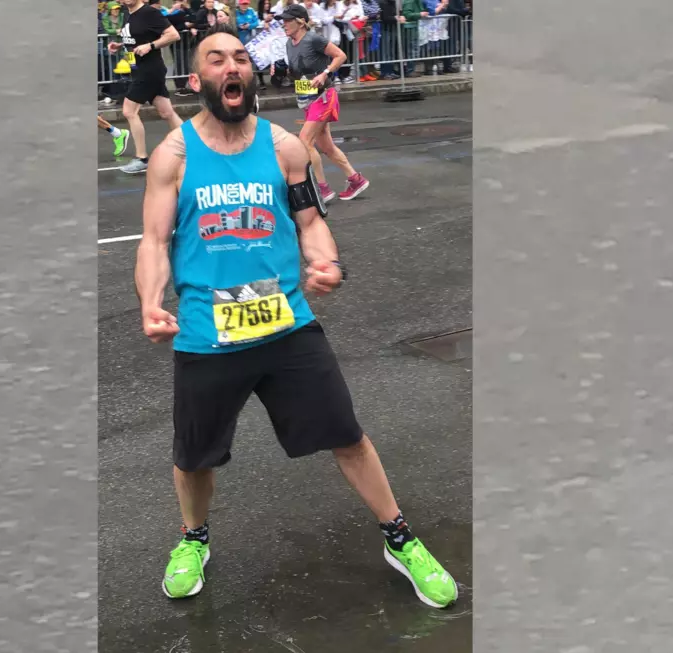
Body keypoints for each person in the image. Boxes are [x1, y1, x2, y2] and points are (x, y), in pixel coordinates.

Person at [135, 24, 458, 609]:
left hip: (287, 326)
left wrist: (327, 262)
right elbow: (154, 242)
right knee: (194, 455)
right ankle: (193, 539)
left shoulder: (285, 148)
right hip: (209, 335)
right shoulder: (173, 156)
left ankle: (400, 537)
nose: (231, 67)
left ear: (251, 73)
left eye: (240, 58)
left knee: (348, 436)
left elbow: (310, 221)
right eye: (216, 60)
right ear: (197, 78)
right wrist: (152, 303)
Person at [272, 4, 369, 203]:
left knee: (305, 141)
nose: (284, 25)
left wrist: (325, 73)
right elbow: (298, 73)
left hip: (324, 96)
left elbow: (340, 55)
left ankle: (322, 189)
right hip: (307, 97)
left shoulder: (313, 39)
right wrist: (283, 72)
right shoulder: (290, 44)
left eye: (288, 21)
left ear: (300, 22)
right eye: (283, 21)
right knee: (327, 147)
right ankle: (355, 180)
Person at [108, 0, 184, 174]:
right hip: (140, 69)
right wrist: (120, 45)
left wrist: (150, 46)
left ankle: (141, 158)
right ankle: (194, 147)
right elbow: (138, 38)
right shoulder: (128, 13)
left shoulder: (149, 12)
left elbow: (173, 35)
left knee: (129, 111)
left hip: (149, 70)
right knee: (167, 112)